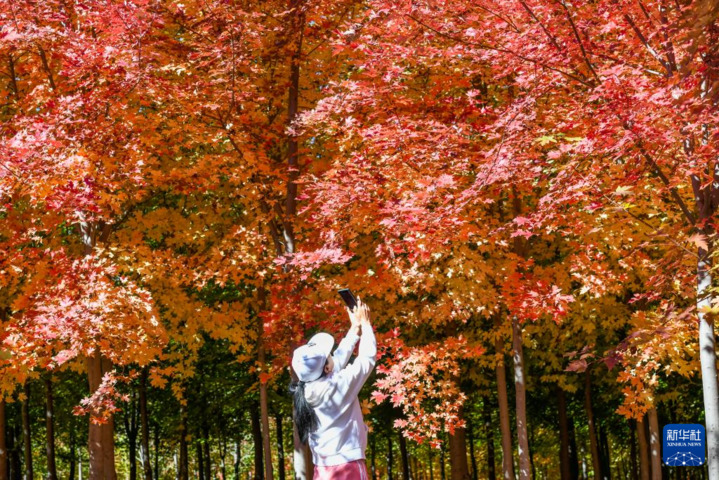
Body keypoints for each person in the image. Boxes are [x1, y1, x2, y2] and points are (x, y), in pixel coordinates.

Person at [290, 296, 376, 480]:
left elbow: (337, 359)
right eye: (329, 355)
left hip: (322, 469)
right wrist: (367, 324)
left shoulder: (306, 389)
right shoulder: (338, 385)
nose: (332, 355)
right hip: (348, 467)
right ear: (327, 368)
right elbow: (367, 359)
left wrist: (355, 329)